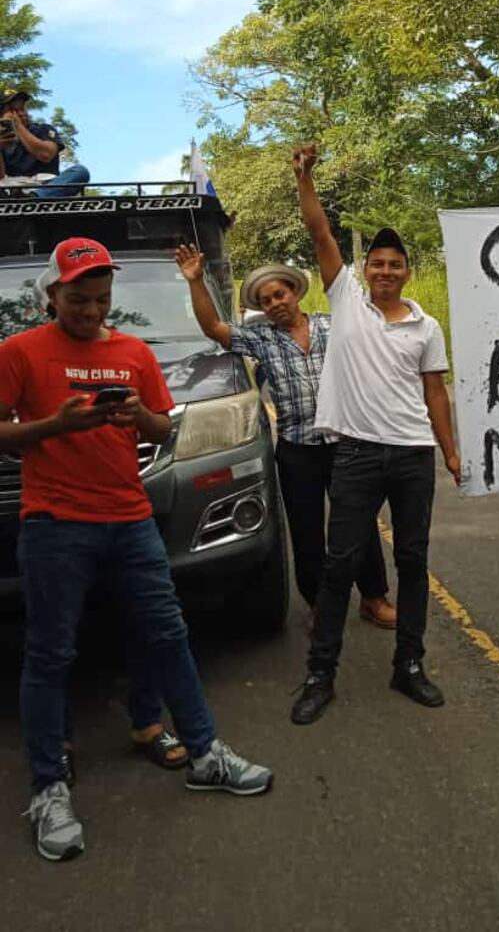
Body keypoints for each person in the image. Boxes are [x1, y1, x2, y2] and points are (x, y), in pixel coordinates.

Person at [0, 237, 272, 863]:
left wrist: (136, 420)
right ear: (53, 294)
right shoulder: (20, 352)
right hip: (55, 523)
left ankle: (204, 753)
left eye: (101, 298)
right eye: (79, 299)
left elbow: (162, 423)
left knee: (168, 634)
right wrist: (55, 426)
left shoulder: (133, 352)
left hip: (130, 519)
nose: (92, 310)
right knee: (50, 653)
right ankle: (48, 788)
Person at [289, 145, 461, 725]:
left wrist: (450, 452)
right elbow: (319, 231)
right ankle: (320, 674)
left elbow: (435, 393)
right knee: (340, 565)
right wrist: (305, 178)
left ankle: (408, 665)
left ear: (406, 271)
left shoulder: (426, 326)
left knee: (413, 561)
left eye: (395, 264)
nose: (385, 271)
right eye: (377, 264)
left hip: (412, 456)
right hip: (357, 455)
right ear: (364, 271)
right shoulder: (345, 301)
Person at [174, 244, 395, 626]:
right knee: (306, 532)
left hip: (345, 443)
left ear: (294, 293)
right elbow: (214, 328)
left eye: (280, 294)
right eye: (266, 300)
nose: (275, 303)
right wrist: (195, 281)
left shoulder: (332, 325)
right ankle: (319, 605)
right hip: (297, 451)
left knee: (359, 523)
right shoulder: (262, 339)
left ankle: (373, 597)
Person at [0, 90, 90, 199]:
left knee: (80, 171)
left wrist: (18, 126)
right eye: (13, 111)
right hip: (12, 187)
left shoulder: (43, 129)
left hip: (47, 184)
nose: (20, 114)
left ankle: (34, 197)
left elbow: (46, 155)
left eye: (22, 109)